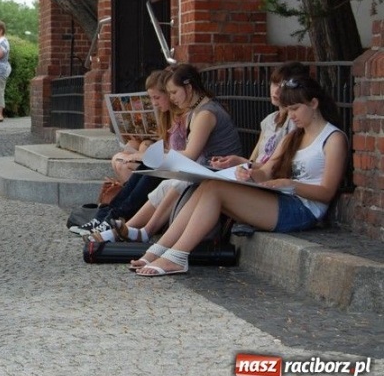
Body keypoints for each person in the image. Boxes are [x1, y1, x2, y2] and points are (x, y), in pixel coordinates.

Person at [133, 75, 348, 276]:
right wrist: (249, 173)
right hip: (284, 198)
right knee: (209, 185)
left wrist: (289, 184)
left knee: (215, 190)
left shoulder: (333, 139)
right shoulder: (293, 136)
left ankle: (177, 256)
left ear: (314, 103)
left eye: (295, 108)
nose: (291, 115)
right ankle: (160, 250)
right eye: (288, 109)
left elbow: (326, 193)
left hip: (304, 210)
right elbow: (266, 172)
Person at [95, 61, 311, 243]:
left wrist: (155, 157)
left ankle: (136, 230)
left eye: (173, 92)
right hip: (230, 170)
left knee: (172, 179)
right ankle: (129, 227)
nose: (276, 90)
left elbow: (191, 154)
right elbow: (253, 160)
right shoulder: (269, 120)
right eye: (273, 84)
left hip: (234, 175)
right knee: (163, 177)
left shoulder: (207, 113)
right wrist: (239, 161)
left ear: (188, 88)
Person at [70, 69, 185, 236]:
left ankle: (114, 217)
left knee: (149, 169)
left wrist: (147, 154)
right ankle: (107, 215)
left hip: (178, 170)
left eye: (157, 97)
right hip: (170, 165)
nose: (154, 103)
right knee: (144, 166)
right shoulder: (169, 117)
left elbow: (184, 153)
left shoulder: (186, 116)